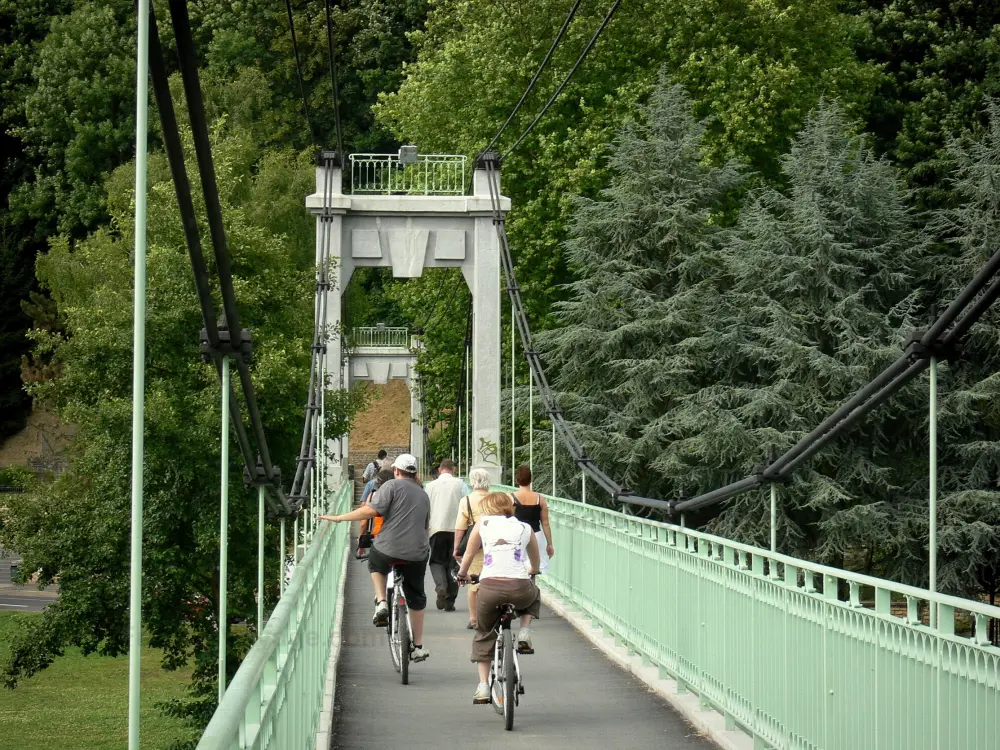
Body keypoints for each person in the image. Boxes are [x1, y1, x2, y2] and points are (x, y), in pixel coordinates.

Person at [319, 453, 431, 662]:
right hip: (417, 552)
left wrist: (340, 518)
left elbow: (370, 511)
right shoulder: (423, 494)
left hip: (388, 549)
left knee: (376, 563)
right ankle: (418, 646)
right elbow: (425, 527)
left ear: (396, 471)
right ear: (414, 472)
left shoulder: (390, 487)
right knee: (417, 598)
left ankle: (381, 601)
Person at [456, 491, 540, 705]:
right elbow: (535, 560)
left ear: (488, 508)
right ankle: (524, 632)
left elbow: (468, 554)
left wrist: (462, 574)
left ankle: (483, 686)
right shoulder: (525, 527)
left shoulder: (482, 524)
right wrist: (533, 570)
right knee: (534, 593)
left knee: (484, 633)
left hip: (490, 588)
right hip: (520, 589)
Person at [510, 465, 555, 652]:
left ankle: (514, 601)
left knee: (515, 570)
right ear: (531, 479)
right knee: (532, 572)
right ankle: (529, 604)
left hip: (518, 536)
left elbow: (507, 519)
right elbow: (545, 522)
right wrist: (550, 543)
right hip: (535, 536)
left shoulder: (510, 498)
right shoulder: (540, 499)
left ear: (516, 479)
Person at [424, 459, 471, 611]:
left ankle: (441, 586)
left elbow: (424, 507)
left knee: (436, 561)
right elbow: (468, 503)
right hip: (457, 529)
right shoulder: (461, 484)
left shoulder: (429, 486)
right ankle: (450, 601)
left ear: (439, 470)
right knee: (454, 563)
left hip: (436, 529)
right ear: (454, 469)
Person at [452, 468, 492, 629]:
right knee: (492, 580)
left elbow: (460, 528)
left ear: (472, 481)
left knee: (473, 584)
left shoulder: (466, 500)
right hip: (493, 544)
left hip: (474, 545)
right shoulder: (495, 499)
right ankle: (490, 615)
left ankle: (474, 618)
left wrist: (456, 548)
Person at [356, 469, 393, 551]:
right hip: (397, 539)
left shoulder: (373, 495)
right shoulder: (400, 496)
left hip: (378, 539)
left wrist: (360, 543)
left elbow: (364, 522)